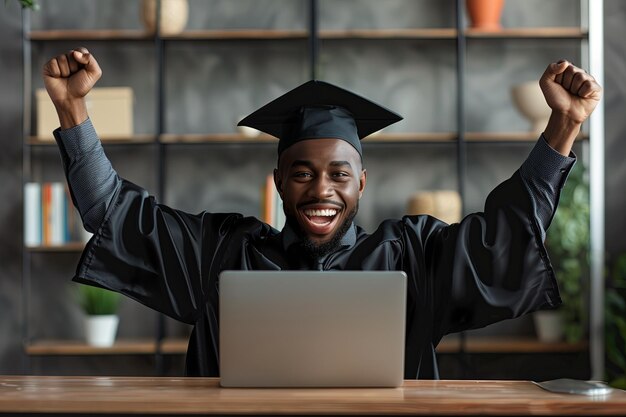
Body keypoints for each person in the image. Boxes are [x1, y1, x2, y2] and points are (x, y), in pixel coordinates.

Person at [43, 47, 602, 378]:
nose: (321, 190)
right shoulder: (223, 253)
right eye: (303, 173)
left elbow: (504, 236)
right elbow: (112, 212)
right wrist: (73, 109)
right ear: (279, 181)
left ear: (360, 182)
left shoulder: (413, 256)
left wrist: (564, 125)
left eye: (338, 174)